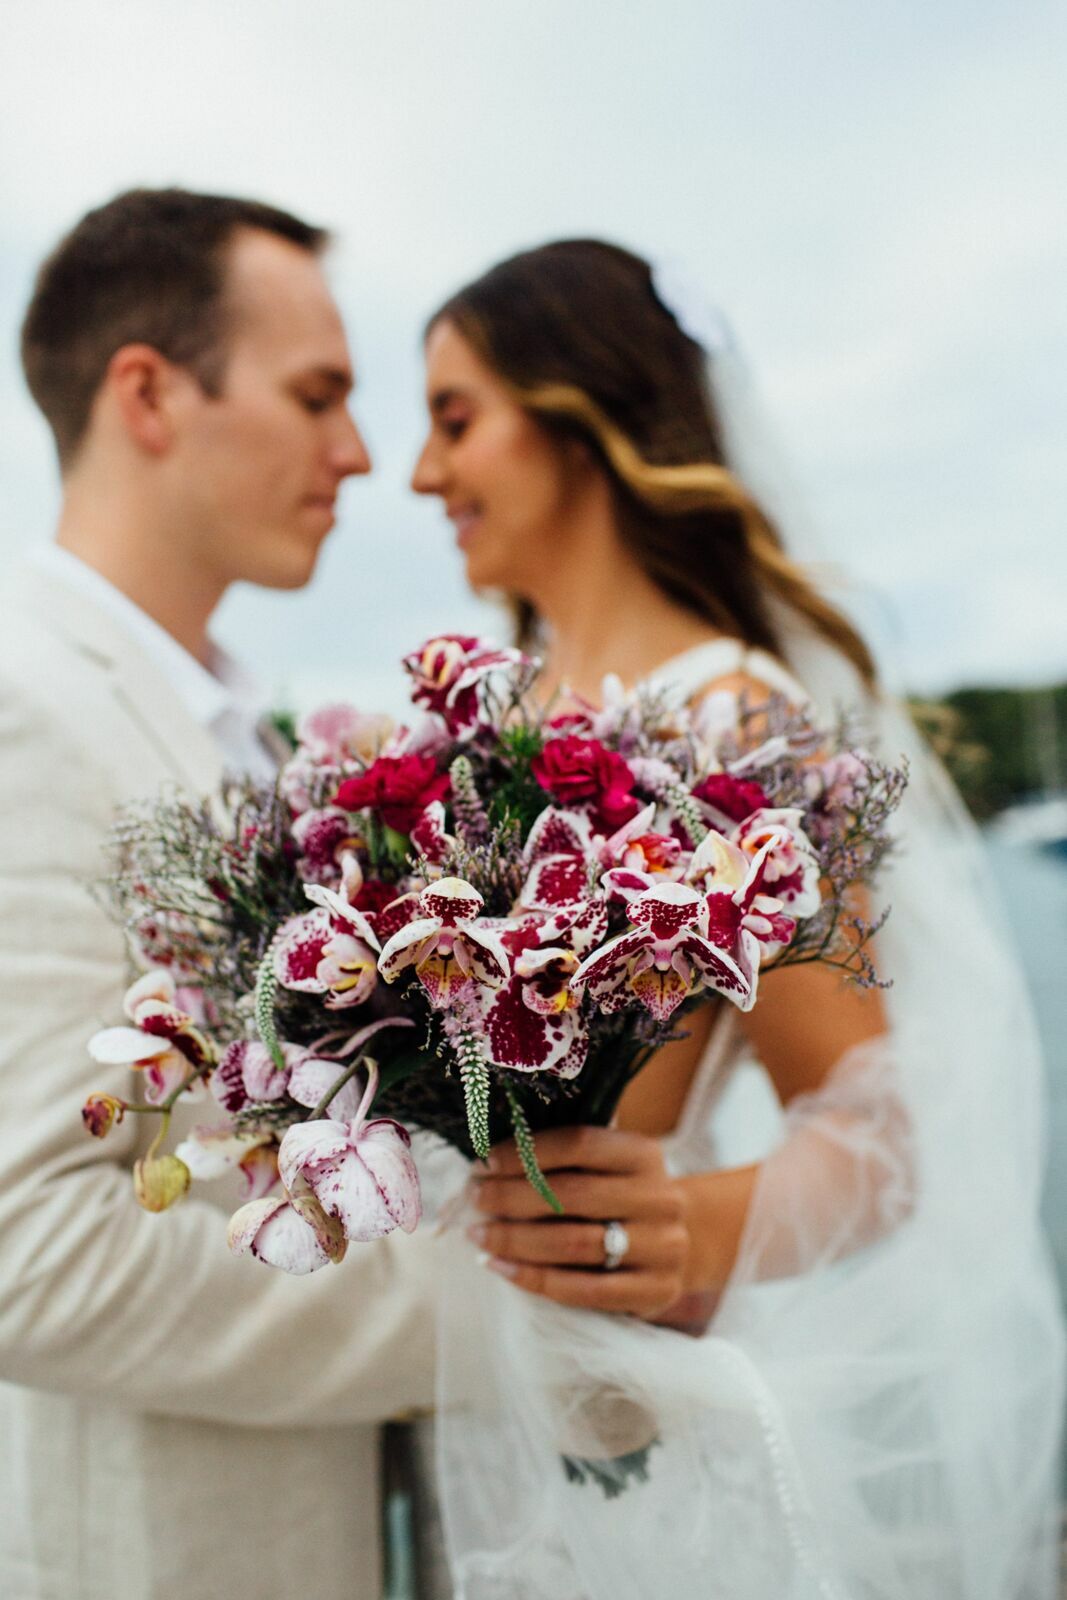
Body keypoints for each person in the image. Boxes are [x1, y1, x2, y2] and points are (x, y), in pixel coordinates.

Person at [411, 239, 1066, 1597]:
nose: (425, 474)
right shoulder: (486, 726)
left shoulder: (745, 721)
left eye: (455, 419)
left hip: (650, 1428)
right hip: (471, 1416)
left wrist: (692, 1226)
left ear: (577, 419)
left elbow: (876, 1132)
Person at [0, 189, 439, 1600]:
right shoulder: (26, 708)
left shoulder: (240, 730)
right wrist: (479, 1310)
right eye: (316, 395)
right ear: (148, 393)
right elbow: (30, 1253)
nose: (357, 452)